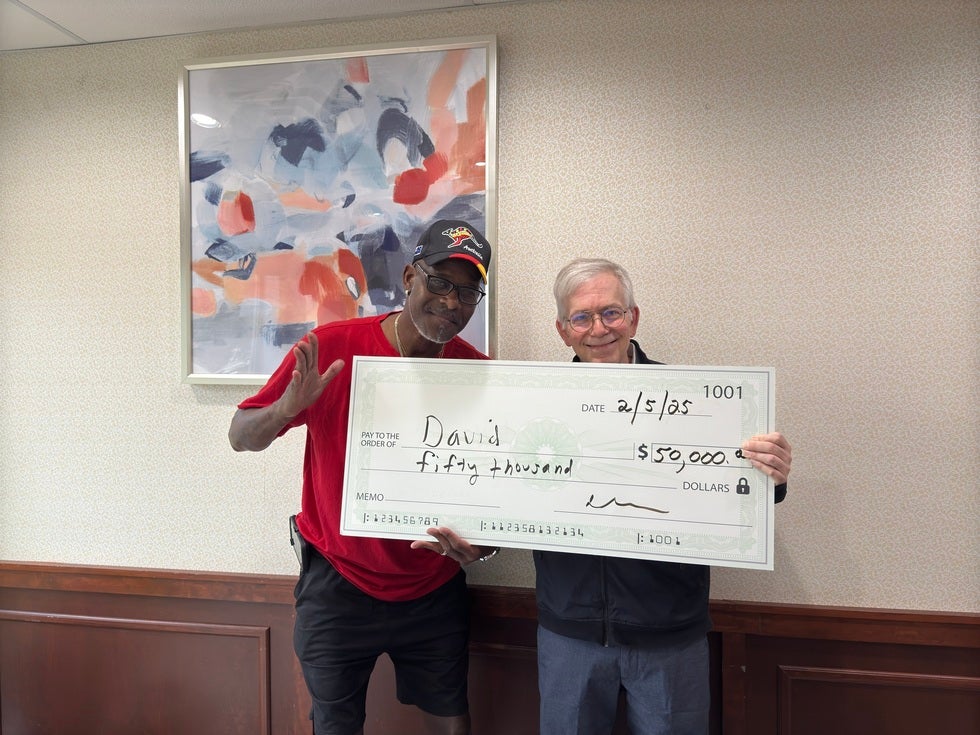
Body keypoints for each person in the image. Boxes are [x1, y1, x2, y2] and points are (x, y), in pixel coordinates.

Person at [229, 219, 500, 735]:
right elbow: (241, 437)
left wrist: (485, 547)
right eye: (440, 282)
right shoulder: (332, 348)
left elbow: (494, 496)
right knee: (335, 724)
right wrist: (286, 408)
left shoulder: (481, 375)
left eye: (468, 292)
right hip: (339, 582)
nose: (451, 301)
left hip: (433, 587)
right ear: (409, 278)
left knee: (452, 722)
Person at [534, 257, 793, 735]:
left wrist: (770, 478)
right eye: (582, 317)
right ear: (562, 330)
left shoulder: (699, 401)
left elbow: (734, 493)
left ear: (633, 318)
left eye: (611, 312)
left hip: (670, 635)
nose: (599, 329)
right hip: (569, 633)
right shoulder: (533, 405)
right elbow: (509, 491)